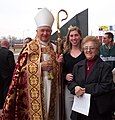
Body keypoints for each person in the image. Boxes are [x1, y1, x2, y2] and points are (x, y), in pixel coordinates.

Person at [2, 8, 62, 120]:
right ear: (37, 31)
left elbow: (58, 71)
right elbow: (19, 71)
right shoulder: (29, 48)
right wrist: (39, 67)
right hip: (35, 90)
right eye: (42, 30)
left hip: (52, 86)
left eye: (48, 31)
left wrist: (58, 64)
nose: (45, 33)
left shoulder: (54, 48)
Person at [68, 36, 114, 120]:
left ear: (97, 50)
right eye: (86, 48)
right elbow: (71, 82)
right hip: (80, 110)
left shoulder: (105, 67)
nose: (88, 50)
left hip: (97, 110)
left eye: (92, 48)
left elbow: (106, 86)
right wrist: (75, 87)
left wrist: (85, 89)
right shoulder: (77, 66)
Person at [63, 25, 85, 120]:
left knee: (83, 115)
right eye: (71, 36)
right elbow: (62, 71)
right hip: (69, 89)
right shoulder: (65, 55)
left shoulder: (85, 52)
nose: (74, 38)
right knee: (70, 116)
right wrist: (65, 76)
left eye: (76, 35)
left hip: (83, 88)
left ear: (80, 37)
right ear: (68, 38)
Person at [0, 39, 15, 111]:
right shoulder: (9, 53)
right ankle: (6, 106)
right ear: (7, 44)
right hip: (7, 76)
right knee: (6, 91)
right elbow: (12, 66)